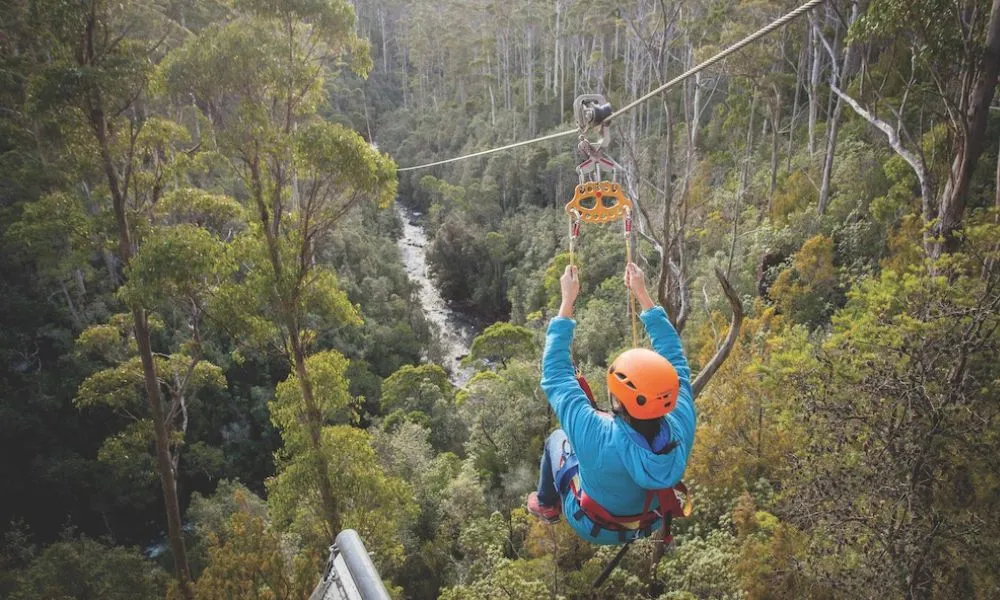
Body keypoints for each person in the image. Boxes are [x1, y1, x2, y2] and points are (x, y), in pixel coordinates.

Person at [526, 262, 695, 545]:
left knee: (556, 439)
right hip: (649, 519)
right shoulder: (681, 416)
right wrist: (642, 294)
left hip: (594, 525)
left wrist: (567, 301)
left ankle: (546, 504)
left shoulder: (596, 433)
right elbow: (675, 358)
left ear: (616, 400)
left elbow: (555, 375)